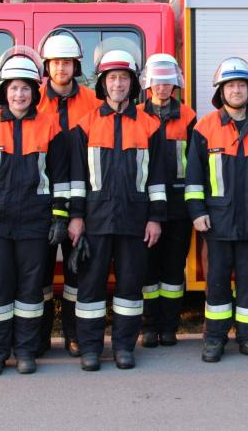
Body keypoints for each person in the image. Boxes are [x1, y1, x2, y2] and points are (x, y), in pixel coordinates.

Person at [0, 47, 70, 374]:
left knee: (29, 292)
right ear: (3, 91)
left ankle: (25, 351)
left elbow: (61, 179)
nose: (19, 94)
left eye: (25, 88)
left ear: (33, 92)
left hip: (36, 226)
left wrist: (60, 218)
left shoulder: (51, 127)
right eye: (13, 88)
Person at [68, 49, 166, 371]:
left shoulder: (151, 126)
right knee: (91, 288)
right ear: (103, 85)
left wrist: (155, 218)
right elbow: (77, 178)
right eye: (112, 78)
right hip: (95, 221)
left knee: (129, 287)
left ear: (133, 84)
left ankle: (125, 347)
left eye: (124, 78)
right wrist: (77, 217)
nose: (118, 84)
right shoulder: (84, 126)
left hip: (134, 220)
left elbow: (157, 179)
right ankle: (91, 349)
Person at [186, 57, 248, 363]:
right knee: (216, 283)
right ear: (221, 91)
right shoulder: (204, 128)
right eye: (231, 86)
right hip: (217, 221)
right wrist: (197, 211)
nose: (237, 91)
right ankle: (214, 339)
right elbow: (193, 177)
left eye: (241, 85)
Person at [35, 28, 99, 357]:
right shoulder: (32, 97)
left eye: (67, 63)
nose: (61, 69)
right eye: (55, 63)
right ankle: (42, 337)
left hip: (79, 200)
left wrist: (80, 211)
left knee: (77, 272)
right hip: (41, 200)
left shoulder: (93, 102)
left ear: (76, 66)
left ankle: (74, 335)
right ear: (47, 66)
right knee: (40, 272)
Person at [137, 54, 197, 348]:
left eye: (167, 83)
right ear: (149, 84)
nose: (162, 88)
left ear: (175, 85)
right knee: (148, 267)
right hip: (145, 202)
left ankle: (170, 326)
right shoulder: (137, 114)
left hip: (178, 203)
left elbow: (197, 163)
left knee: (174, 268)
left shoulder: (188, 116)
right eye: (157, 82)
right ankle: (149, 326)